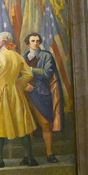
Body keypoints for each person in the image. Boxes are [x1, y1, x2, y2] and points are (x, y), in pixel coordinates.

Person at [0, 31, 37, 168]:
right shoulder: (17, 56)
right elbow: (28, 75)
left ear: (4, 41)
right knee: (22, 124)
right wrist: (18, 85)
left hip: (1, 94)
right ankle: (30, 158)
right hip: (16, 94)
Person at [24, 33, 62, 162]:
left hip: (42, 93)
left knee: (46, 124)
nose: (36, 43)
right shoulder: (24, 57)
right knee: (27, 126)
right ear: (28, 43)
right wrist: (25, 86)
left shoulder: (46, 56)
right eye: (33, 41)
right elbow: (19, 75)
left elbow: (47, 74)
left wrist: (31, 69)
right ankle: (28, 156)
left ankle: (50, 155)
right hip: (26, 95)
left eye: (37, 40)